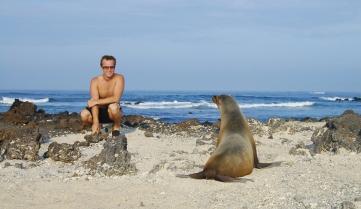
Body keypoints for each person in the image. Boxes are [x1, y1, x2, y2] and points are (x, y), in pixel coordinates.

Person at [80, 55, 125, 136]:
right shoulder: (95, 81)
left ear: (115, 67)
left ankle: (116, 126)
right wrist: (96, 122)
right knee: (84, 115)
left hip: (111, 112)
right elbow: (94, 104)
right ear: (101, 67)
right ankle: (98, 126)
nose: (109, 69)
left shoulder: (119, 78)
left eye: (112, 67)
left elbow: (116, 98)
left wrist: (96, 101)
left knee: (114, 107)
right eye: (106, 67)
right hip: (98, 110)